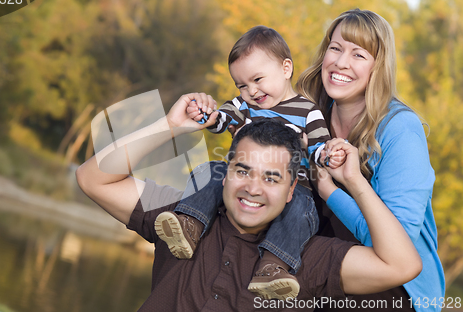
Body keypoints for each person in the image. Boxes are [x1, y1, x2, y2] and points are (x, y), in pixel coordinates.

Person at [75, 93, 422, 311]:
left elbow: (401, 266)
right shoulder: (180, 220)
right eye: (243, 170)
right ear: (224, 174)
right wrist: (170, 125)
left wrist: (354, 182)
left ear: (292, 192)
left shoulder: (309, 259)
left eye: (272, 178)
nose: (253, 188)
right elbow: (92, 178)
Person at [153, 26, 344, 299]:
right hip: (241, 180)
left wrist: (326, 153)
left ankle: (273, 267)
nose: (251, 91)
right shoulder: (243, 107)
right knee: (210, 171)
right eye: (242, 85)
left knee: (303, 208)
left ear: (286, 68)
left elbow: (318, 150)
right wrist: (204, 113)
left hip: (292, 188)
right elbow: (221, 121)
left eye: (257, 79)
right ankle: (189, 224)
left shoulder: (308, 111)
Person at [295, 9, 445, 311]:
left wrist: (334, 191)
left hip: (393, 286)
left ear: (378, 67)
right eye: (335, 48)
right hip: (323, 264)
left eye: (358, 55)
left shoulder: (400, 129)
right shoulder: (309, 117)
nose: (340, 62)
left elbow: (395, 245)